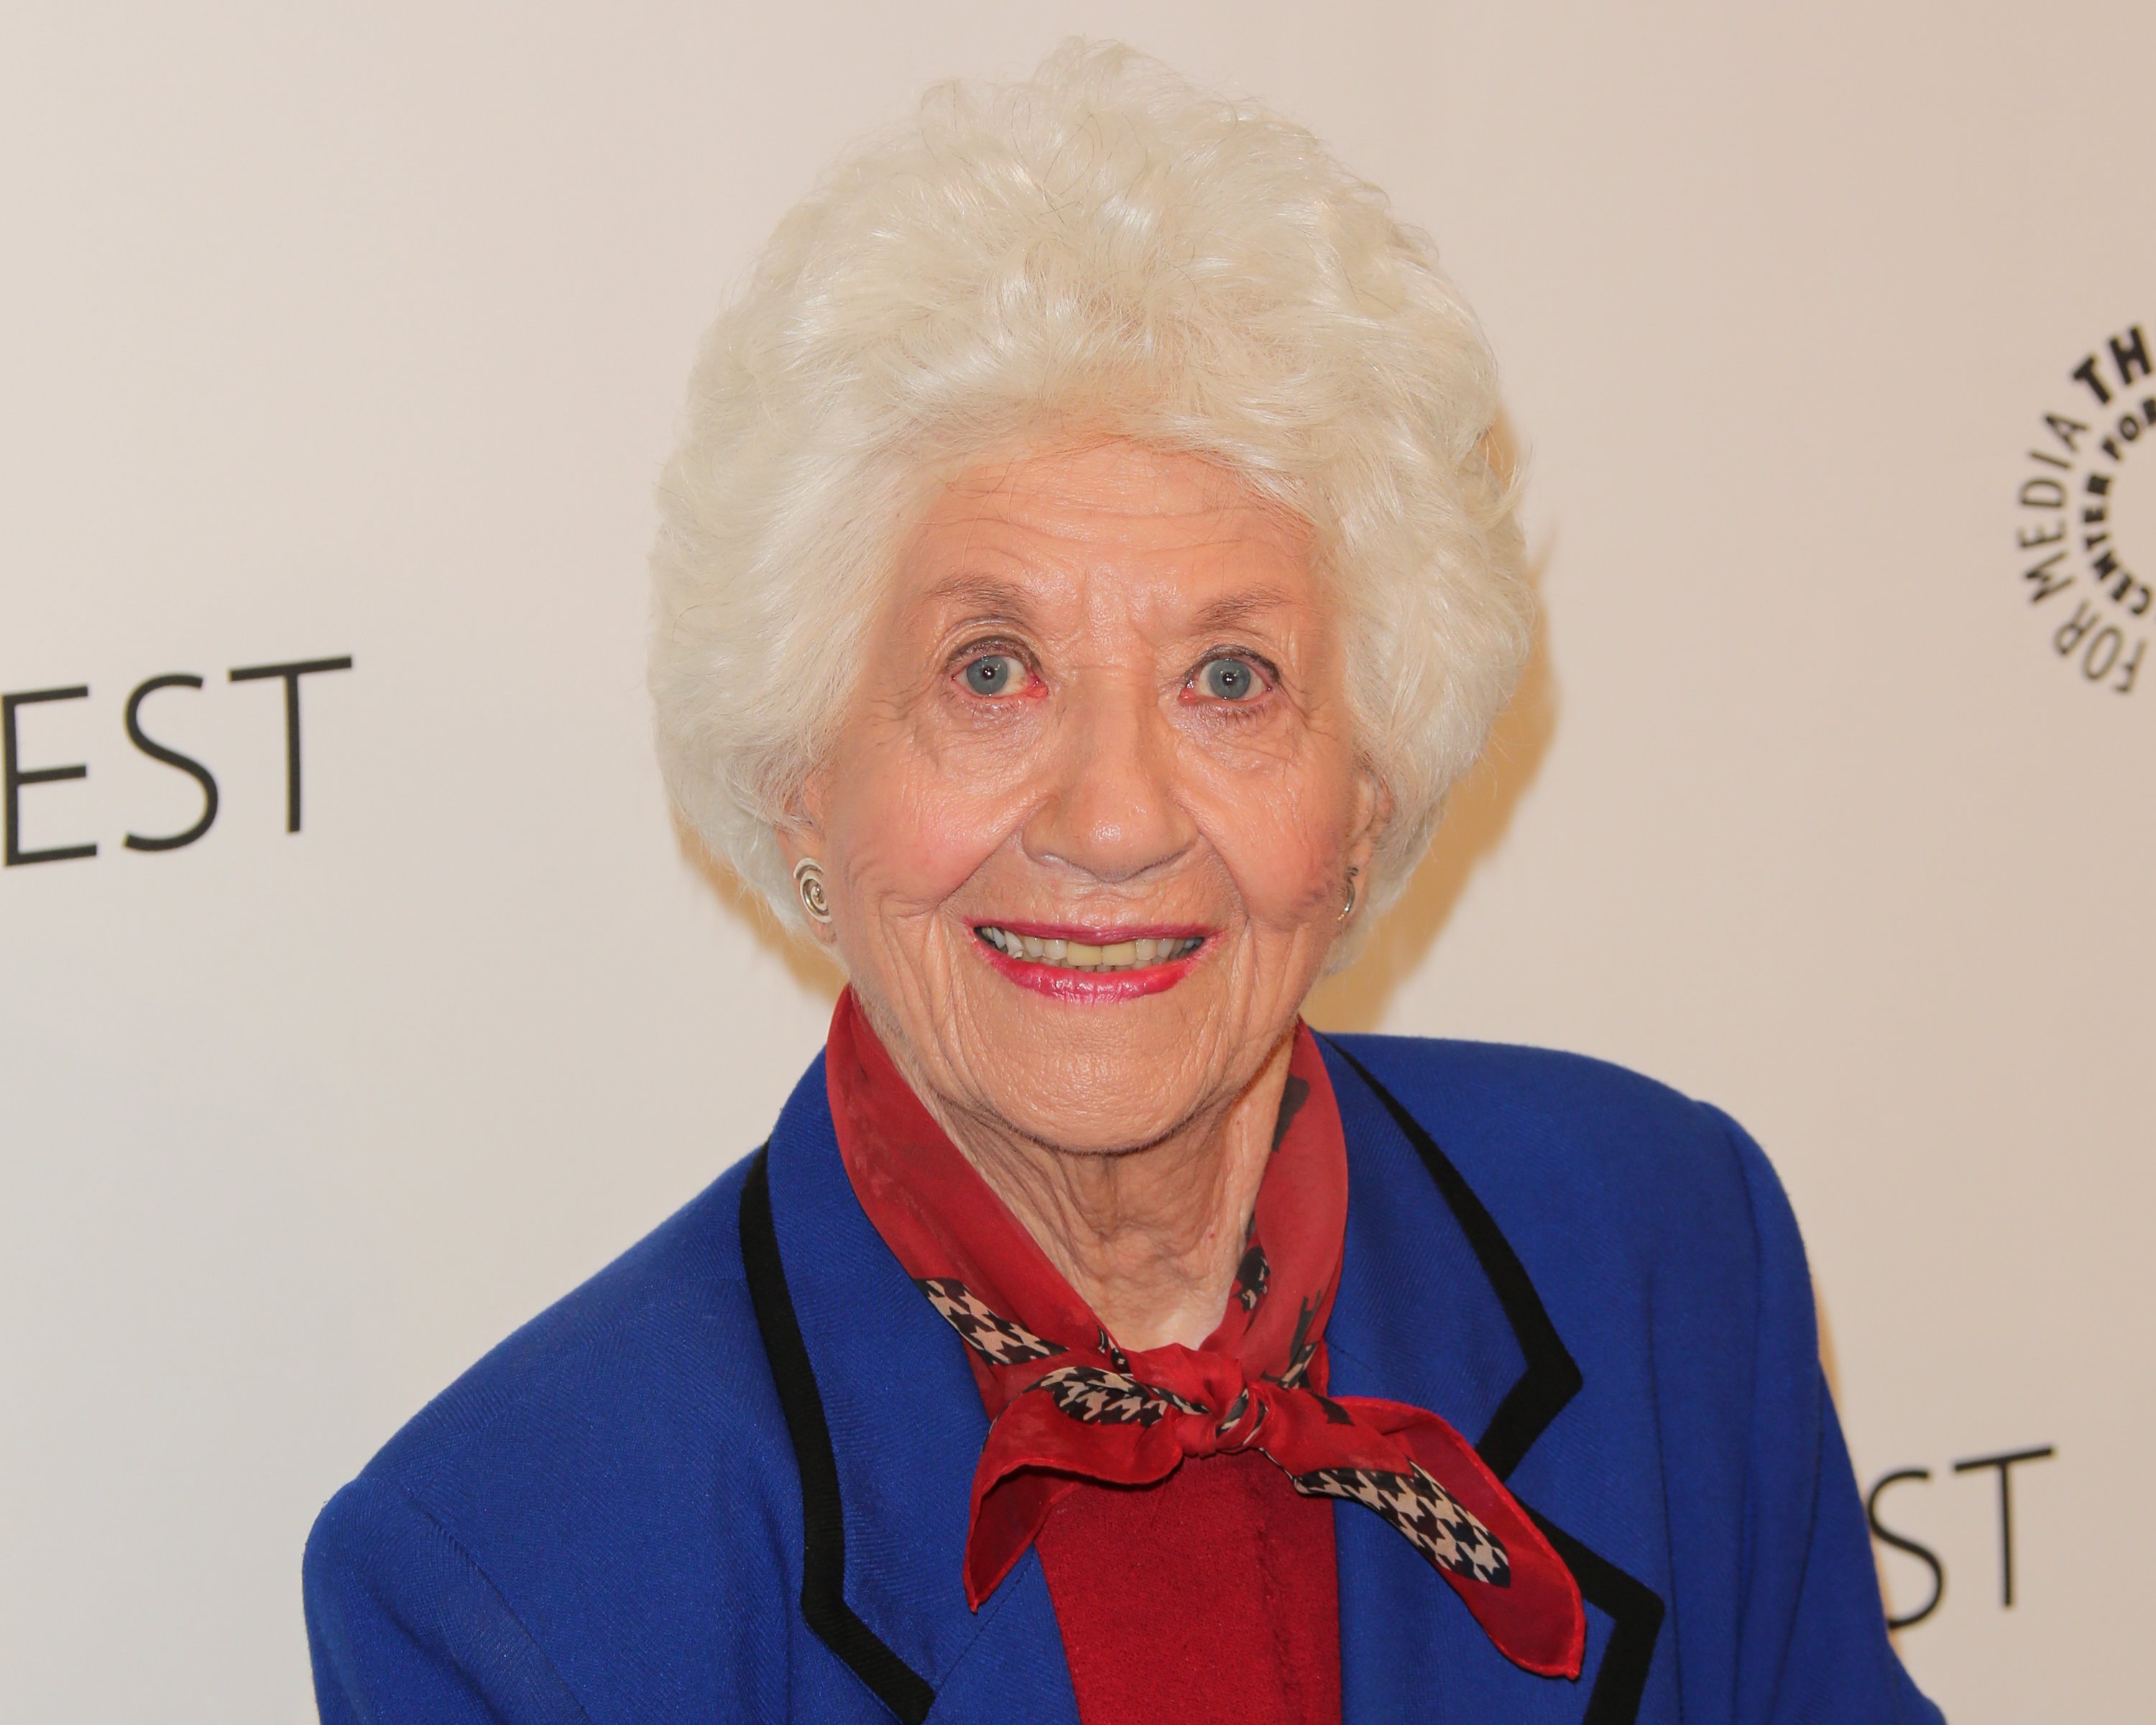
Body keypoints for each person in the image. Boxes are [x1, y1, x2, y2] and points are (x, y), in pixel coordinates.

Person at [303, 41, 1940, 1725]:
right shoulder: (512, 1575)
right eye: (991, 670)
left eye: (1230, 679)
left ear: (1365, 796)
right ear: (804, 777)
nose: (1112, 818)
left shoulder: (1666, 1250)